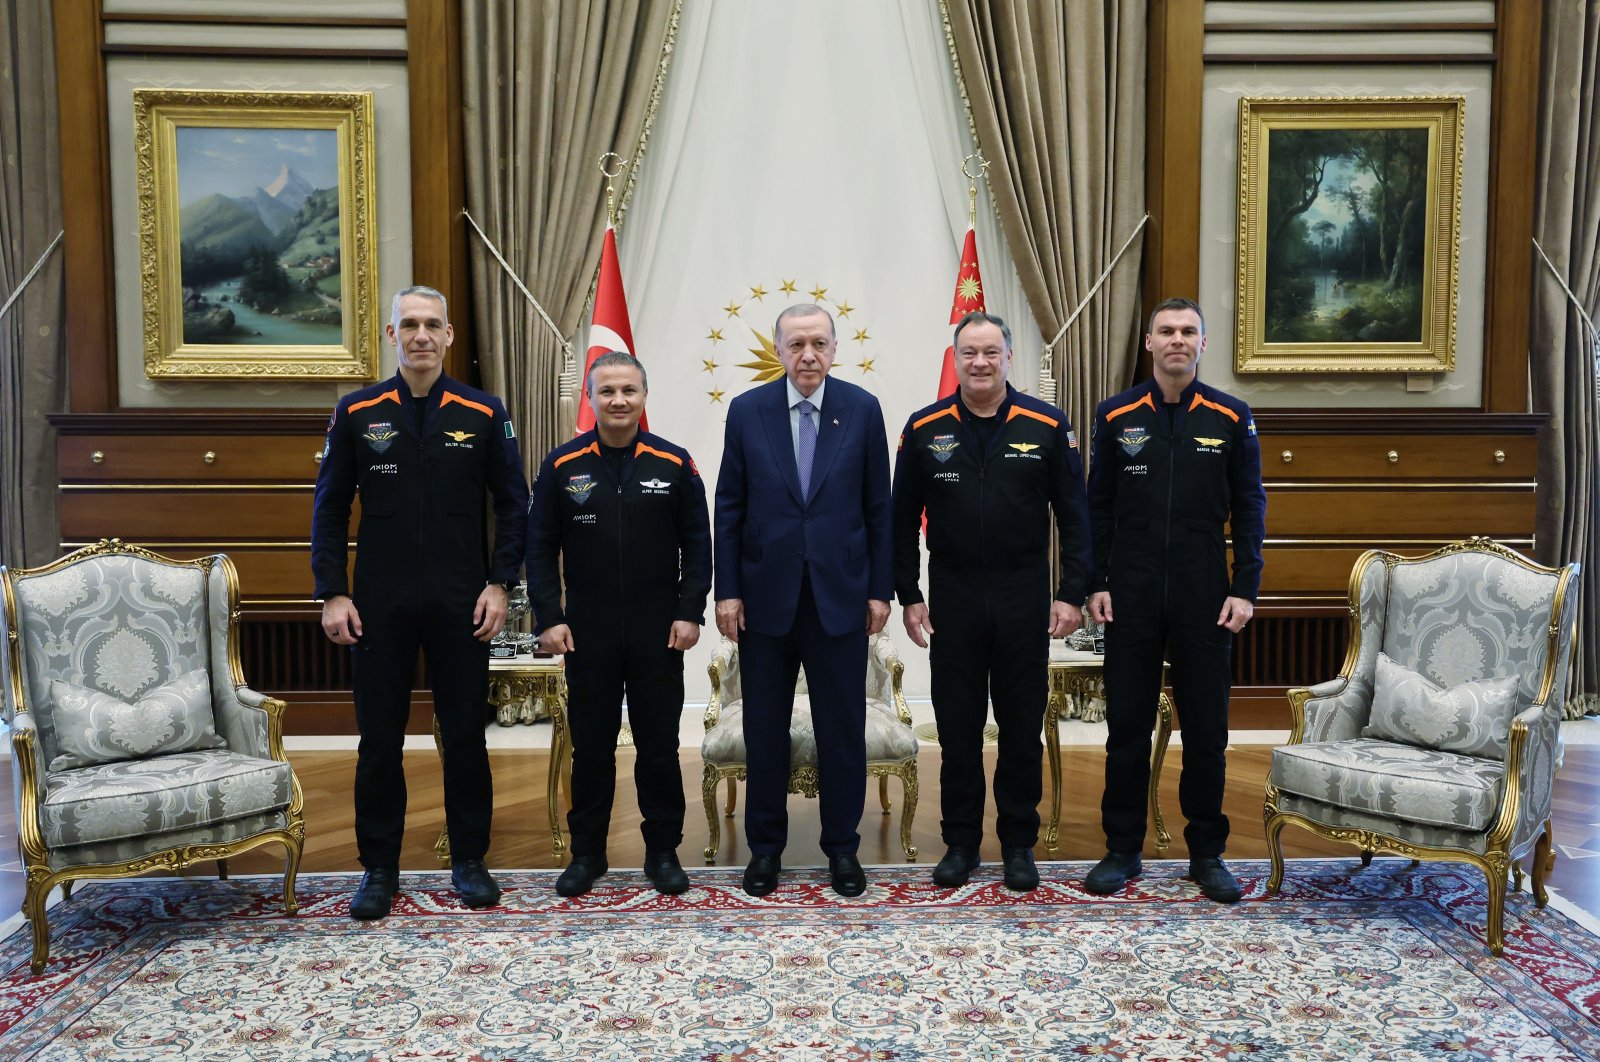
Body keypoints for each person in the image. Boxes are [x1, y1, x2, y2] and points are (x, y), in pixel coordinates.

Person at [312, 285, 528, 920]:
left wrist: (501, 584)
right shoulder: (358, 410)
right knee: (379, 739)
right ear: (391, 335)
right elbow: (328, 507)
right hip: (377, 602)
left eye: (433, 324)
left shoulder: (484, 411)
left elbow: (514, 504)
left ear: (450, 335)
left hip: (464, 600)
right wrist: (332, 592)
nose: (421, 335)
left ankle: (469, 859)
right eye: (409, 324)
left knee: (465, 734)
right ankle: (380, 867)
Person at [890, 310, 1091, 891]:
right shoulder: (924, 427)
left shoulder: (1046, 423)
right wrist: (910, 594)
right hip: (951, 594)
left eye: (991, 352)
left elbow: (1075, 518)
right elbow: (900, 521)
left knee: (1021, 725)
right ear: (956, 359)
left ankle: (1018, 844)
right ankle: (960, 844)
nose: (980, 362)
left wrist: (1070, 593)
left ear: (1008, 358)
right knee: (957, 728)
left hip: (1023, 594)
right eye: (969, 353)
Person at [1082, 297, 1266, 904]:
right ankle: (1122, 849)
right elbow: (1096, 508)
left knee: (1207, 731)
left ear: (1202, 344)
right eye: (1167, 331)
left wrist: (1245, 587)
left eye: (1189, 331)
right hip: (1130, 590)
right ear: (1149, 343)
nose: (1177, 340)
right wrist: (1096, 582)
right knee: (1127, 727)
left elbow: (1250, 508)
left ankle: (1206, 853)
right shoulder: (1116, 416)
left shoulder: (1231, 415)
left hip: (1205, 590)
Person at [714, 303, 892, 898]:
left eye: (818, 343)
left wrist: (879, 590)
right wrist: (728, 591)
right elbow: (730, 508)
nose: (808, 354)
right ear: (779, 349)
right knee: (765, 729)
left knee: (842, 729)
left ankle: (842, 848)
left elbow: (879, 510)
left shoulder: (862, 411)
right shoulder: (747, 411)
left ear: (834, 348)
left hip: (841, 598)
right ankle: (766, 850)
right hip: (764, 600)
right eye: (796, 344)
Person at [525, 351, 712, 896]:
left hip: (660, 630)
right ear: (590, 397)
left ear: (644, 396)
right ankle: (588, 854)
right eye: (607, 391)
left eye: (628, 390)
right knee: (591, 747)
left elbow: (698, 546)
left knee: (659, 746)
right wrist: (549, 617)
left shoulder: (674, 463)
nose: (618, 400)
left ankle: (663, 852)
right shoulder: (562, 466)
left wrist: (689, 610)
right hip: (588, 630)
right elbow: (539, 549)